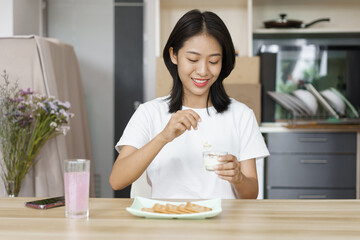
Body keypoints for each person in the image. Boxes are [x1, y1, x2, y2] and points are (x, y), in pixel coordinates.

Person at [109, 9, 269, 199]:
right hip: (168, 223)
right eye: (193, 59)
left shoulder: (241, 115)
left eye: (214, 61)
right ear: (174, 55)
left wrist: (239, 178)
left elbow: (251, 195)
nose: (203, 71)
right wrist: (163, 137)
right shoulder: (149, 113)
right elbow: (117, 180)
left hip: (223, 226)